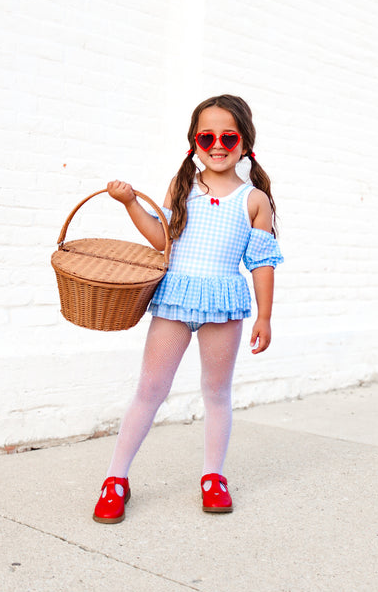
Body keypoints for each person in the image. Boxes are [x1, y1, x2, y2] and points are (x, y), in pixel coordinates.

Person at [93, 94, 283, 523]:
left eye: (228, 137)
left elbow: (262, 263)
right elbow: (162, 239)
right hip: (176, 299)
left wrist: (264, 316)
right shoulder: (183, 187)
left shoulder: (254, 200)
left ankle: (213, 476)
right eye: (206, 137)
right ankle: (115, 480)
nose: (217, 145)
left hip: (223, 304)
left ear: (245, 143)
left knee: (216, 392)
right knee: (150, 389)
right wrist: (129, 203)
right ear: (194, 141)